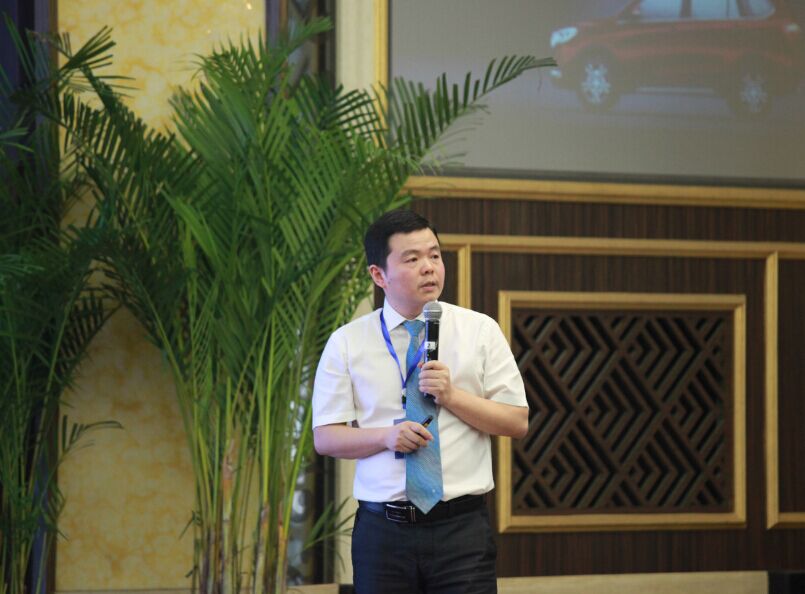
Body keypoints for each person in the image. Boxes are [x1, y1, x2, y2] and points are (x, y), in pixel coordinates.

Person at [312, 209, 528, 594]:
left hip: (461, 530)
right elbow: (326, 438)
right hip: (383, 533)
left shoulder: (480, 331)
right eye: (412, 259)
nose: (429, 267)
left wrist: (452, 396)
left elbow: (516, 422)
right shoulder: (347, 342)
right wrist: (385, 438)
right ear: (378, 275)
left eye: (435, 255)